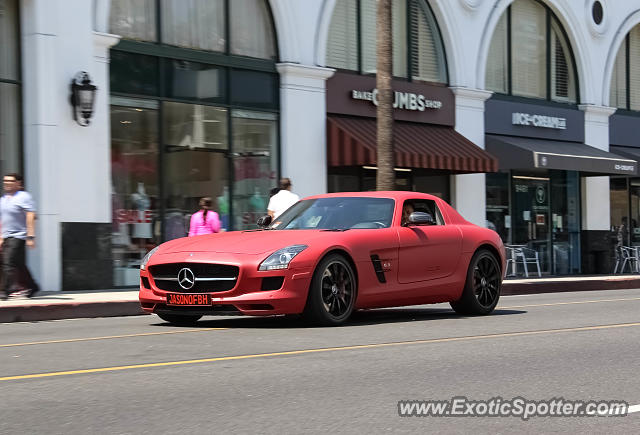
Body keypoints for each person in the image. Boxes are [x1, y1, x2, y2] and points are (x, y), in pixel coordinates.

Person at [0, 173, 40, 300]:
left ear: (19, 183)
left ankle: (8, 290)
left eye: (10, 181)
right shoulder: (3, 199)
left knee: (8, 262)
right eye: (5, 180)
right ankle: (33, 286)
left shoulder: (23, 196)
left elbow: (31, 215)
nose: (7, 183)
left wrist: (31, 236)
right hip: (6, 236)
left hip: (18, 236)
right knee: (19, 264)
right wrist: (0, 237)